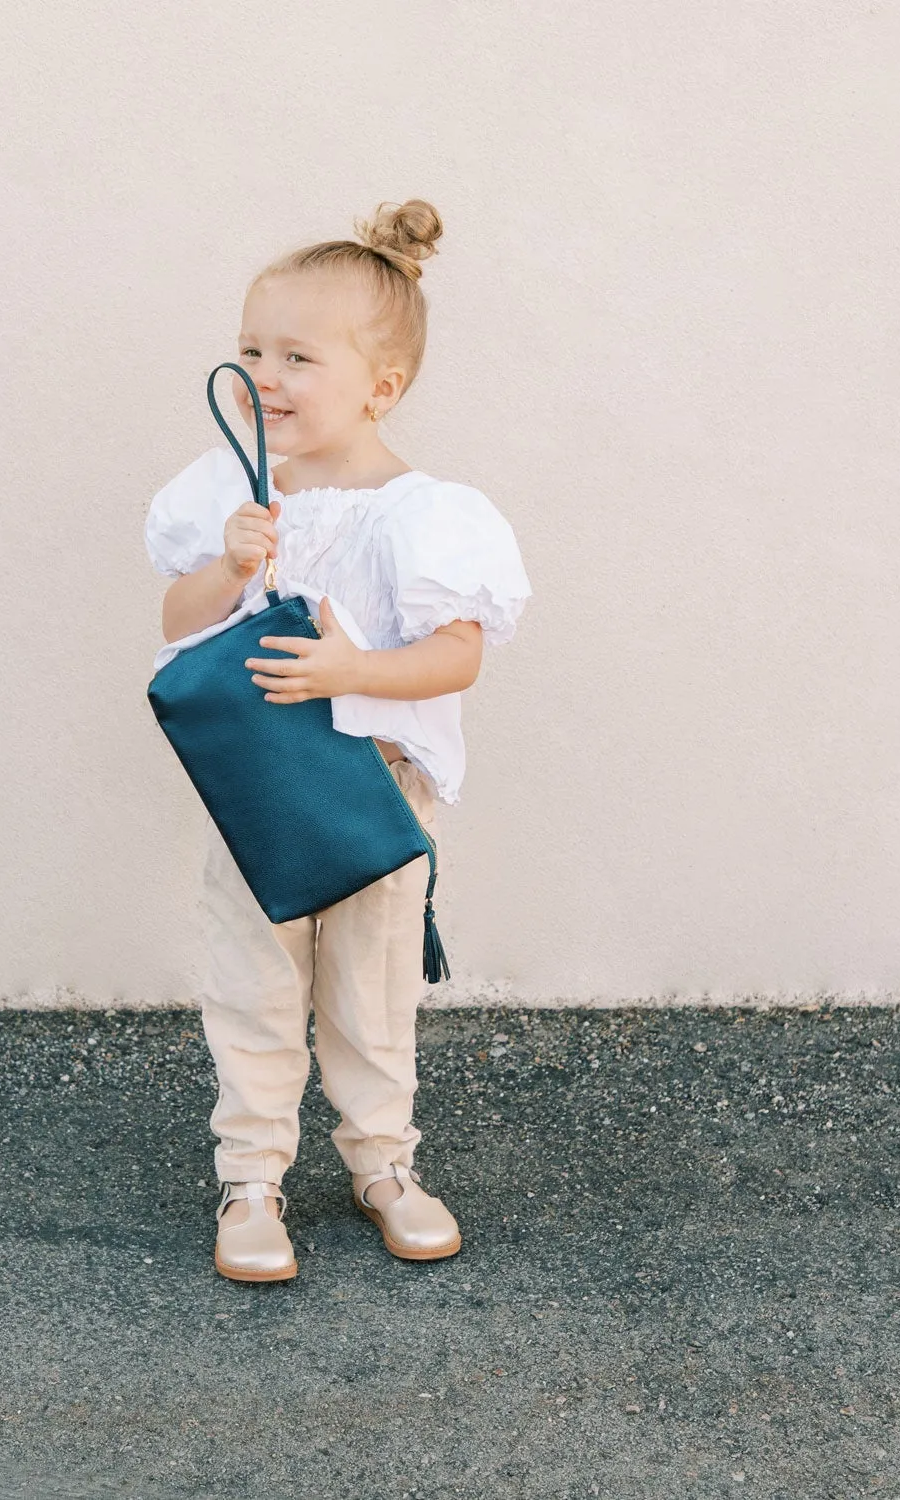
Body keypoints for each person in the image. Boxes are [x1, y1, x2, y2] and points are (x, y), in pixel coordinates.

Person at [143, 199, 532, 1282]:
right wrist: (229, 566)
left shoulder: (425, 513)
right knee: (253, 983)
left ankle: (383, 1164)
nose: (265, 375)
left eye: (297, 356)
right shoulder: (234, 491)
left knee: (371, 991)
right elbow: (178, 630)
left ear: (380, 385)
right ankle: (252, 1177)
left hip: (374, 787)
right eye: (250, 351)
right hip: (259, 791)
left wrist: (352, 671)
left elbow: (458, 655)